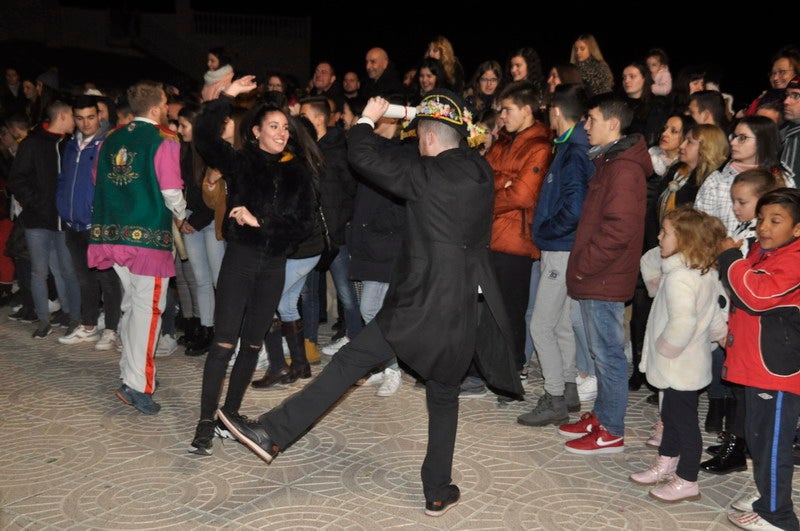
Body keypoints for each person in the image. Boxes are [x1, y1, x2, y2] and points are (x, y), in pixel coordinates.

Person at [217, 89, 524, 517]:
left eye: (419, 137)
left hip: (417, 307)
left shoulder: (425, 175)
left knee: (347, 366)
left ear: (430, 140)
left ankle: (272, 433)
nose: (417, 143)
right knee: (443, 394)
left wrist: (366, 118)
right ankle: (437, 490)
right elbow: (410, 153)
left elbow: (364, 156)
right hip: (463, 309)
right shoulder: (479, 170)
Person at [187, 75, 318, 455]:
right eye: (273, 126)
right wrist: (224, 98)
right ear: (257, 131)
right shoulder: (242, 162)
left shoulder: (298, 170)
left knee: (251, 345)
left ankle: (230, 414)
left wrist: (263, 222)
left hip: (274, 265)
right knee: (223, 343)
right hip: (241, 262)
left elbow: (303, 224)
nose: (281, 133)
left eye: (285, 127)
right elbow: (206, 139)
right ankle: (205, 421)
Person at [559, 93, 653, 455]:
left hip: (603, 277)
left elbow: (619, 230)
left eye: (592, 119)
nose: (586, 125)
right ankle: (601, 416)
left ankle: (612, 430)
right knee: (600, 353)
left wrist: (584, 265)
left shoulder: (625, 168)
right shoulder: (610, 161)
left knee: (609, 354)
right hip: (597, 275)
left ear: (613, 123)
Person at [88, 81, 187, 415]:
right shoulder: (164, 138)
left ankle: (129, 372)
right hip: (148, 238)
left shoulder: (110, 138)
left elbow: (95, 179)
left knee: (133, 306)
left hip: (112, 233)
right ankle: (137, 385)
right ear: (157, 108)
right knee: (148, 311)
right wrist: (183, 213)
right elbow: (172, 189)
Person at [629, 206, 728, 503]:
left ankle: (687, 479)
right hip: (690, 362)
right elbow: (712, 318)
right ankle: (666, 462)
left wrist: (664, 350)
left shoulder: (680, 278)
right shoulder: (703, 272)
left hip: (677, 363)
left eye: (666, 232)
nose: (659, 236)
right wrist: (719, 338)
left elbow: (682, 323)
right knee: (671, 416)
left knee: (683, 422)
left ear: (684, 239)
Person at [720, 188, 800, 531]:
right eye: (761, 219)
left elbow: (754, 294)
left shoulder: (795, 258)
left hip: (777, 370)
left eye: (776, 221)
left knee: (771, 444)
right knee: (757, 437)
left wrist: (729, 259)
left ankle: (779, 516)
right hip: (756, 366)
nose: (763, 227)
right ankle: (765, 496)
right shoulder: (764, 250)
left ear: (798, 229)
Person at [470, 80, 552, 397]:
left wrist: (500, 186)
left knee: (510, 312)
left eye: (507, 109)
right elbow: (484, 179)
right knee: (484, 309)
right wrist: (503, 182)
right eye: (501, 109)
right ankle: (483, 372)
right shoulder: (503, 142)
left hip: (517, 242)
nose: (501, 116)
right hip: (490, 236)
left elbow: (522, 195)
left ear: (527, 110)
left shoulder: (540, 146)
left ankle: (512, 372)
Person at [516, 83, 593, 427]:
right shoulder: (568, 147)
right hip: (561, 247)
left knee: (540, 325)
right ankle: (568, 389)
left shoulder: (574, 152)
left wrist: (546, 232)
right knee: (560, 323)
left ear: (557, 112)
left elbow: (575, 208)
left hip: (560, 248)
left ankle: (554, 396)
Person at [8, 99, 81, 338]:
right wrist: (37, 202)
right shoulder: (33, 144)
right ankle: (42, 320)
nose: (77, 121)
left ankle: (73, 317)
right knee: (39, 272)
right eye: (74, 116)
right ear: (62, 116)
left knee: (67, 271)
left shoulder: (70, 144)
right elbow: (17, 179)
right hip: (37, 221)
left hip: (63, 220)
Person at [56, 95, 122, 351]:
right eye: (80, 118)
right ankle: (88, 325)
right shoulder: (69, 145)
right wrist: (62, 206)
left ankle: (112, 329)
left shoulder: (109, 144)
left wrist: (102, 215)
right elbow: (64, 180)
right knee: (84, 278)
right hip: (73, 222)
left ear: (100, 116)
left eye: (91, 117)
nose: (85, 123)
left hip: (97, 224)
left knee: (107, 279)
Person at [176, 102, 225, 356]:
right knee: (201, 280)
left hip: (207, 223)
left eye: (183, 124)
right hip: (190, 220)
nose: (179, 128)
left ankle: (224, 333)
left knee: (219, 280)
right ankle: (207, 329)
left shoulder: (212, 152)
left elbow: (215, 197)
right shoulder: (184, 150)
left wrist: (193, 222)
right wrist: (182, 217)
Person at [781, 75, 800, 180]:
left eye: (796, 95)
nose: (786, 101)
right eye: (787, 95)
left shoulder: (795, 135)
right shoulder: (786, 130)